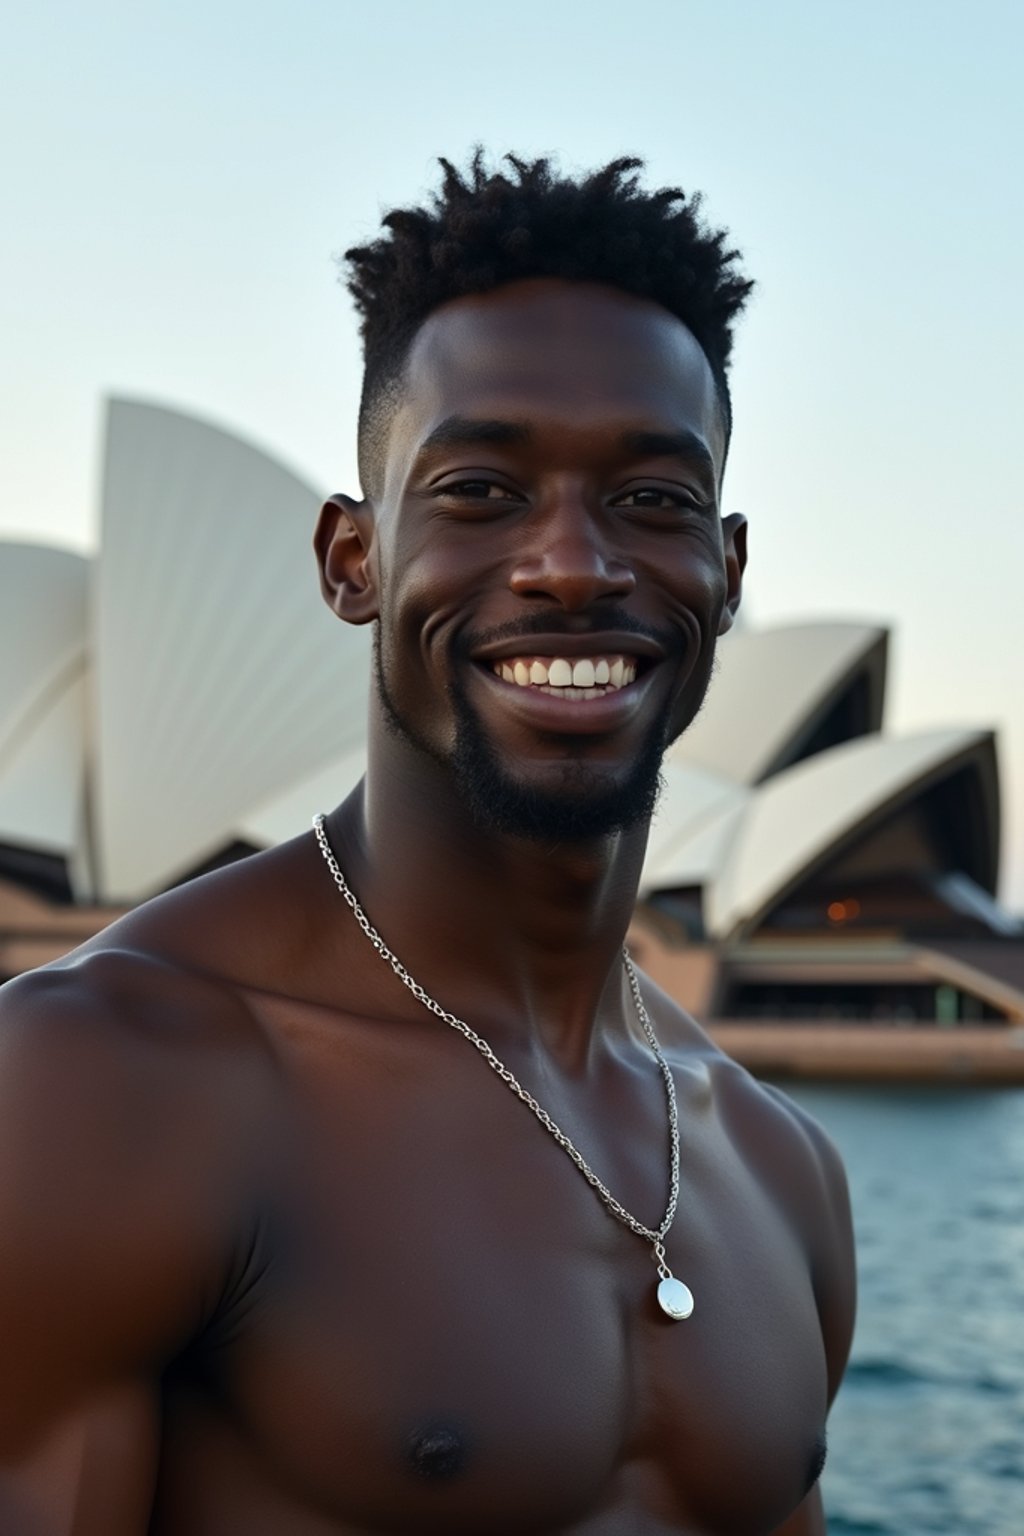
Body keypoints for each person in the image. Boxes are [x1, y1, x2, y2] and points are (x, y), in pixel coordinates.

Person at [0, 153, 855, 1534]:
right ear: (352, 560)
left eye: (652, 498)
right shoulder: (110, 1081)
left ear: (729, 572)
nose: (573, 564)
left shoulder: (782, 1166)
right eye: (480, 490)